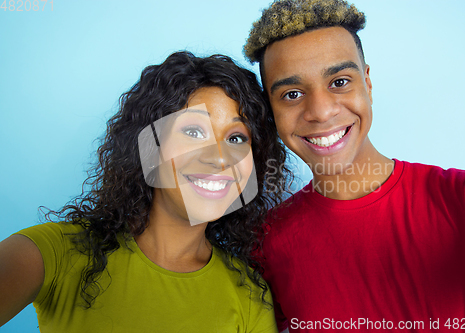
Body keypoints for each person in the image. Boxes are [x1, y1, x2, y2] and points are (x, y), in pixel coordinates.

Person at [244, 0, 465, 332]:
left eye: (339, 82)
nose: (320, 112)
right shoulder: (266, 241)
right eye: (292, 94)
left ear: (367, 82)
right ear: (271, 111)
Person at [0, 51, 289, 332]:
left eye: (236, 137)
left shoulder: (249, 296)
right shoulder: (56, 253)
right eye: (193, 132)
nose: (220, 157)